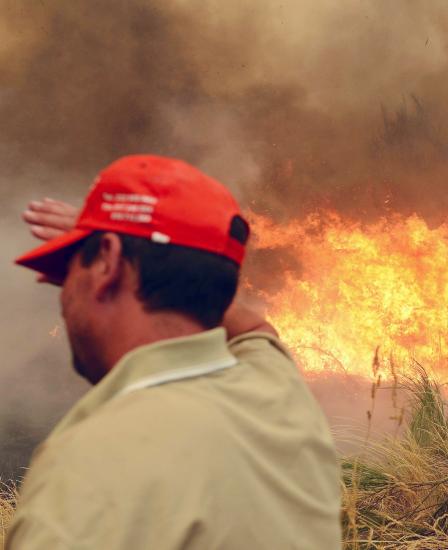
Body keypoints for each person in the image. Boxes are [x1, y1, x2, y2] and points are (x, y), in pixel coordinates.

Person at [6, 155, 341, 549]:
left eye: (71, 267)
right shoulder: (279, 393)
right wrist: (142, 253)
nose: (65, 293)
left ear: (108, 264)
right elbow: (256, 328)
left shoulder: (90, 467)